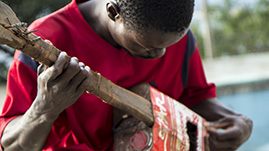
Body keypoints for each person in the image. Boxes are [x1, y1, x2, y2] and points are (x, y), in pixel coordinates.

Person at [0, 0, 252, 150]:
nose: (162, 55)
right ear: (113, 12)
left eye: (170, 44)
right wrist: (45, 108)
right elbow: (11, 145)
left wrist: (236, 121)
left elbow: (195, 97)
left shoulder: (176, 38)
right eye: (148, 47)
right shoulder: (49, 39)